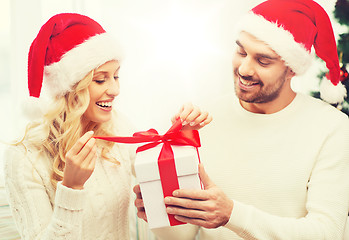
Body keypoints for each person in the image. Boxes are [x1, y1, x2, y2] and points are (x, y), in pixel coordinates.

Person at [134, 0, 349, 239]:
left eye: (263, 60)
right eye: (241, 52)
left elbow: (326, 233)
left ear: (291, 68)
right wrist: (160, 210)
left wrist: (231, 214)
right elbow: (181, 236)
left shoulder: (332, 128)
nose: (244, 69)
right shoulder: (202, 120)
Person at [4, 13, 212, 240]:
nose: (115, 90)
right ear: (70, 88)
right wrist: (72, 188)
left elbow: (171, 201)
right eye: (101, 79)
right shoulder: (24, 158)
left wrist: (179, 139)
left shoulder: (117, 126)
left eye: (116, 76)